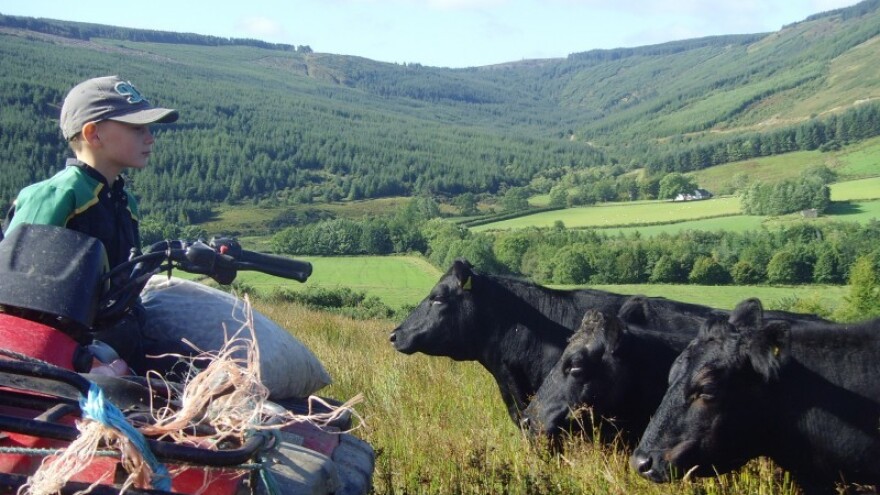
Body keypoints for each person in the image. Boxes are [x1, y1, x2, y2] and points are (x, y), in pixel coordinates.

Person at [3, 75, 179, 374]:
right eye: (137, 128)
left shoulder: (124, 201)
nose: (150, 137)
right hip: (64, 352)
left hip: (116, 337)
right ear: (93, 134)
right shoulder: (57, 195)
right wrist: (78, 355)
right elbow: (18, 297)